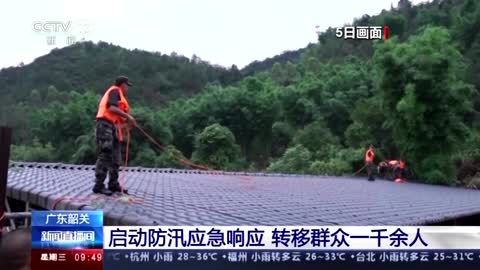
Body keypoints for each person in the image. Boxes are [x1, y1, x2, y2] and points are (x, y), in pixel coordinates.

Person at [93, 76, 137, 196]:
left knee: (116, 155)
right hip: (104, 125)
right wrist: (128, 117)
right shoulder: (114, 91)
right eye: (127, 86)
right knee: (106, 153)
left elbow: (119, 117)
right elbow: (111, 108)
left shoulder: (120, 97)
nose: (128, 88)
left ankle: (113, 184)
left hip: (113, 127)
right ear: (122, 85)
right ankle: (98, 185)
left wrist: (128, 123)